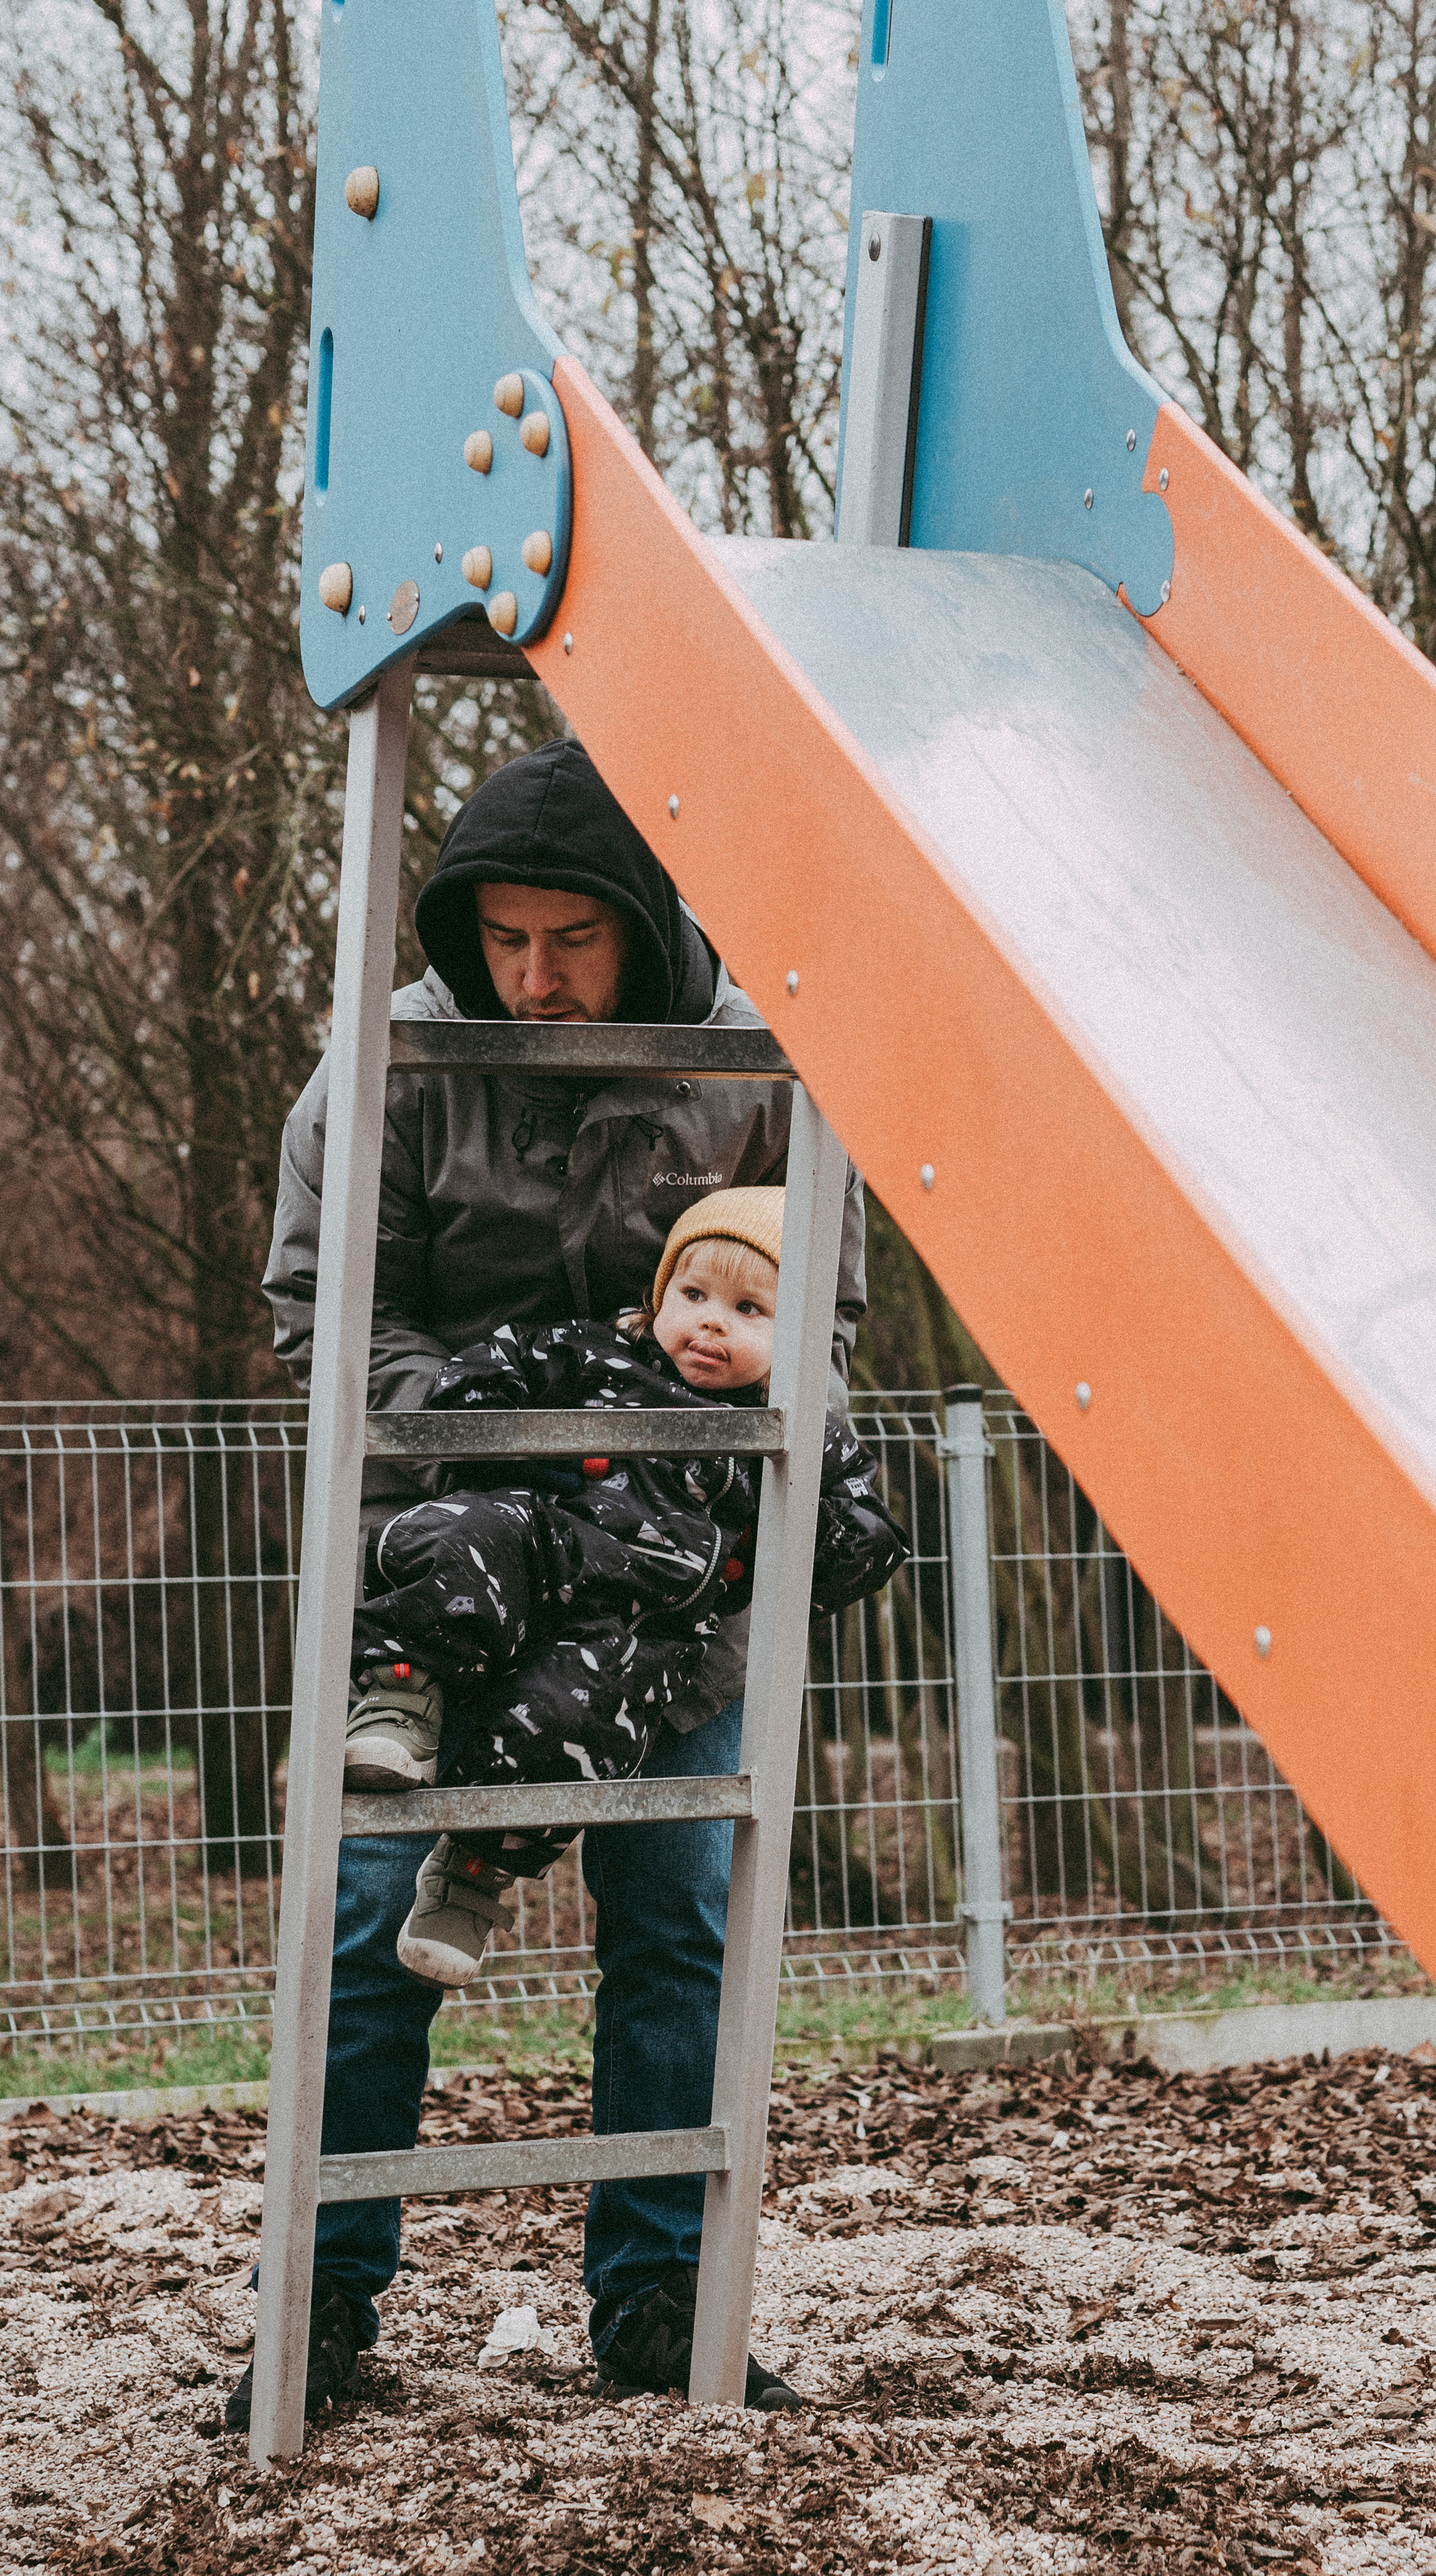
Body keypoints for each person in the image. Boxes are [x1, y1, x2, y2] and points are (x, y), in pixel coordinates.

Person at [235, 740, 867, 2430]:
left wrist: (692, 1473)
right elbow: (327, 1314)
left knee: (676, 1913)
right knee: (367, 1918)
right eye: (501, 940)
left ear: (639, 926)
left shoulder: (752, 1067)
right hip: (453, 1566)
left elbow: (820, 1313)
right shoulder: (390, 1063)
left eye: (570, 941)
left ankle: (659, 2296)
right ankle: (320, 2299)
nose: (530, 978)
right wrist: (511, 1446)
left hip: (670, 1580)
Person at [340, 1186, 907, 1986]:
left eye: (749, 1309)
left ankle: (473, 1876)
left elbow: (869, 1532)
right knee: (464, 1533)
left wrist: (791, 1546)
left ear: (799, 1335)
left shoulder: (792, 1424)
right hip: (548, 1539)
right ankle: (402, 1700)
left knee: (578, 1721)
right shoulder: (600, 1352)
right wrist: (492, 1433)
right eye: (693, 1294)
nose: (711, 1323)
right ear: (660, 1295)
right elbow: (498, 1363)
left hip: (642, 1618)